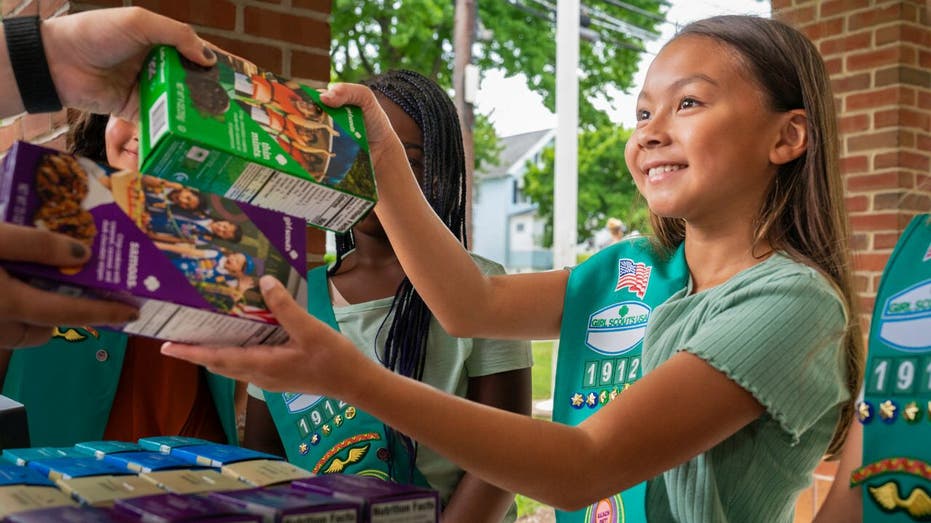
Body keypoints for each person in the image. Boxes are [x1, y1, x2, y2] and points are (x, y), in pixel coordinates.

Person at [164, 15, 863, 522]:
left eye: (688, 103)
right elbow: (471, 302)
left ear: (786, 136)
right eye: (643, 109)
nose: (650, 130)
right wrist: (381, 160)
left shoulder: (791, 302)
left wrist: (348, 378)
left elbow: (583, 465)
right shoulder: (641, 269)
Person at [244, 70, 532, 522]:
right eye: (356, 154)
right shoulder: (292, 300)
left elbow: (507, 460)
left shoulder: (483, 290)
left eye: (404, 159)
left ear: (441, 170)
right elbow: (264, 454)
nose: (373, 173)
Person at [1, 114, 238, 448]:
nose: (142, 133)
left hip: (189, 476)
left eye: (164, 112)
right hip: (51, 477)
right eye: (127, 111)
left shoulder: (226, 240)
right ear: (102, 121)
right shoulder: (46, 215)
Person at [0, 6, 218, 348]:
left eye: (165, 120)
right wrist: (46, 55)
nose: (143, 134)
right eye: (139, 110)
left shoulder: (216, 240)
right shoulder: (40, 212)